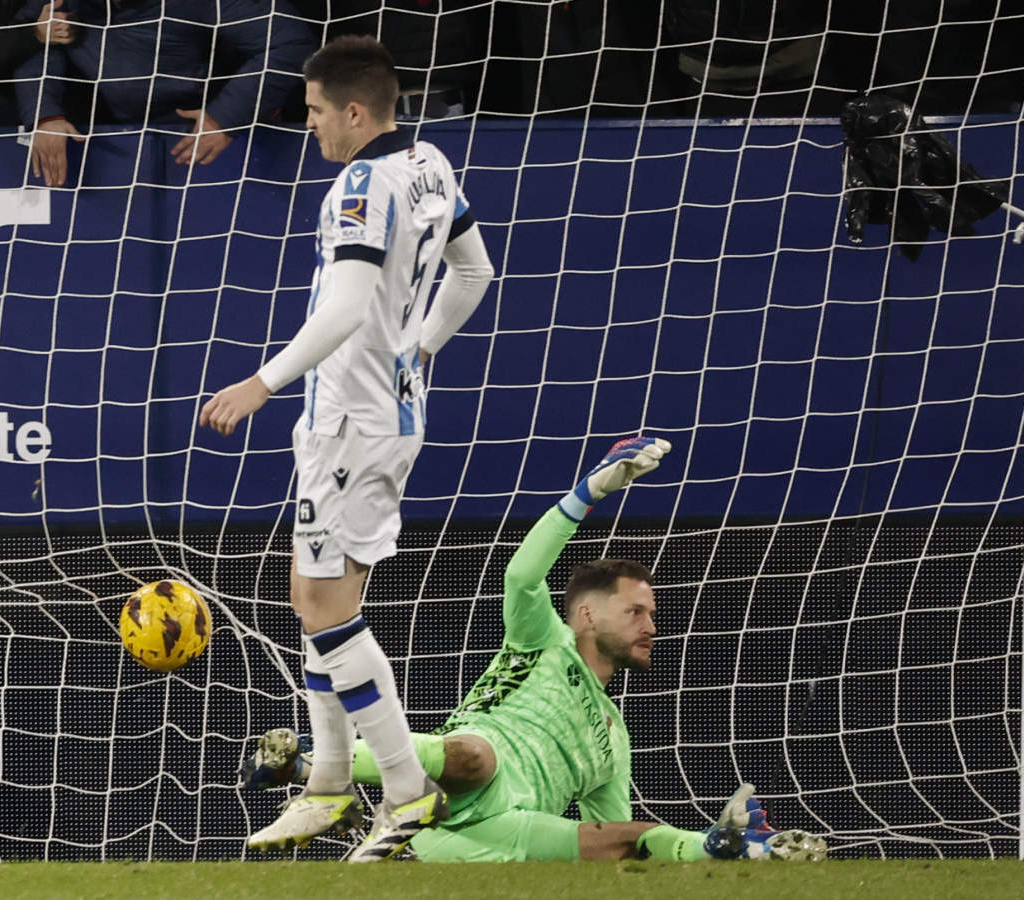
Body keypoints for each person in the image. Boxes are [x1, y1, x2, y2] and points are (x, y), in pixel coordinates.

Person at [239, 436, 829, 863]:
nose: (651, 625)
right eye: (636, 611)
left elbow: (611, 827)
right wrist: (588, 492)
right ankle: (307, 764)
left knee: (630, 837)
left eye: (651, 613)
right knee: (475, 756)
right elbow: (522, 574)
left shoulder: (614, 734)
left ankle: (725, 848)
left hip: (498, 831)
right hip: (464, 780)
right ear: (588, 614)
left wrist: (637, 843)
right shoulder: (540, 635)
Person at [198, 35, 494, 862]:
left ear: (356, 112)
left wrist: (261, 383)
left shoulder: (360, 183)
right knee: (311, 600)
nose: (311, 122)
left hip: (352, 424)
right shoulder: (429, 162)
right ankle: (328, 782)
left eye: (318, 109)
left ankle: (406, 794)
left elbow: (345, 311)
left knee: (328, 611)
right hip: (375, 413)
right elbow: (474, 274)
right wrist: (421, 350)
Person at [13, 0, 315, 186]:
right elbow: (32, 44)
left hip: (225, 142)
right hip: (116, 143)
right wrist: (44, 114)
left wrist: (225, 117)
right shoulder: (63, 2)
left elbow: (290, 42)